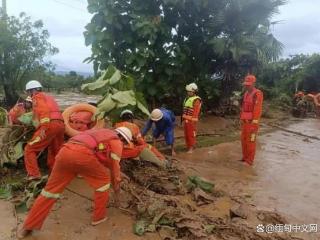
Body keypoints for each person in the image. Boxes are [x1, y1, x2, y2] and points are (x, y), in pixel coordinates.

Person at [17, 127, 132, 239]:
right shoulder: (116, 142)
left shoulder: (100, 131)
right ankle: (99, 218)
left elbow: (102, 158)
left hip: (65, 152)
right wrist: (117, 189)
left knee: (49, 192)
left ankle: (27, 227)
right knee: (103, 182)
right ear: (123, 139)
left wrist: (118, 173)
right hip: (83, 156)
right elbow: (114, 168)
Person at [24, 80, 65, 181]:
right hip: (60, 124)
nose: (29, 95)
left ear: (32, 90)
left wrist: (43, 127)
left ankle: (34, 174)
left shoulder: (37, 97)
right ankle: (57, 174)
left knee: (30, 149)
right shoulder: (49, 97)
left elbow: (44, 111)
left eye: (29, 92)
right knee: (56, 149)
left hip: (50, 124)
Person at [240, 75, 263, 166]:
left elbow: (257, 108)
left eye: (249, 84)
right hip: (245, 121)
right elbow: (243, 108)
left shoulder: (258, 94)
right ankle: (245, 157)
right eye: (246, 84)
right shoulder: (246, 93)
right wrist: (241, 119)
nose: (247, 86)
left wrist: (255, 122)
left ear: (253, 84)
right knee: (243, 140)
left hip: (252, 123)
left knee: (251, 141)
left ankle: (249, 161)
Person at [182, 83, 202, 153]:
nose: (188, 92)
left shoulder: (196, 100)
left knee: (191, 134)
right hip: (186, 119)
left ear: (193, 92)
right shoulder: (187, 98)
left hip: (191, 121)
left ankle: (191, 147)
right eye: (187, 91)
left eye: (189, 91)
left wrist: (192, 120)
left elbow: (196, 112)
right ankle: (188, 146)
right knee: (186, 134)